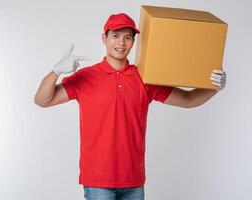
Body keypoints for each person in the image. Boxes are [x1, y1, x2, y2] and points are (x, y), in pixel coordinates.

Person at [34, 13, 226, 200]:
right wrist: (55, 71)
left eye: (128, 37)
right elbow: (42, 100)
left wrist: (215, 87)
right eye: (115, 36)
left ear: (133, 42)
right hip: (98, 181)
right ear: (104, 38)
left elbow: (188, 100)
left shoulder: (144, 78)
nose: (121, 43)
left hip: (133, 181)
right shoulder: (86, 77)